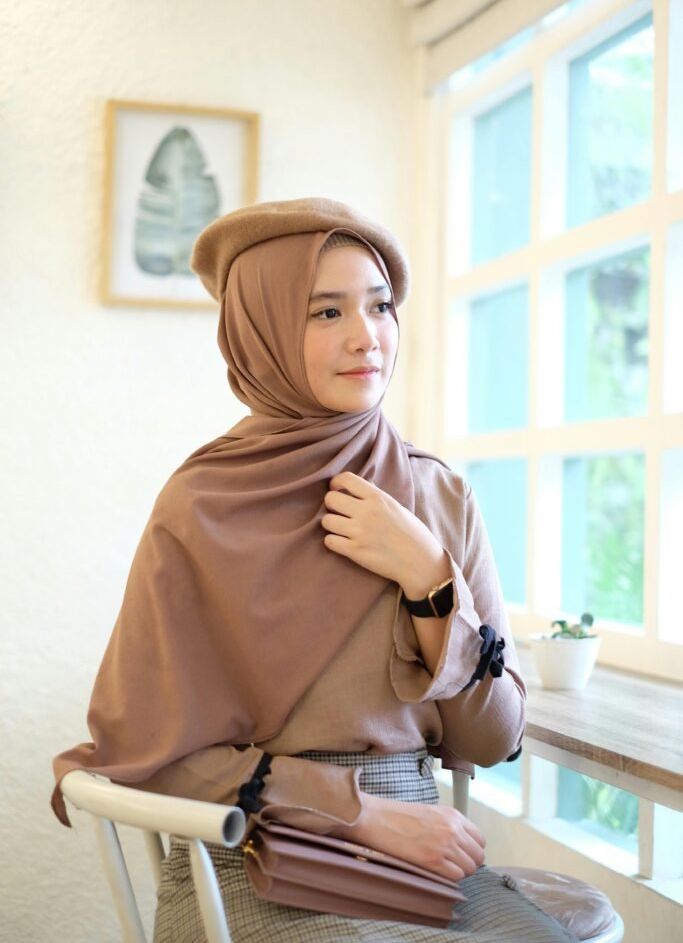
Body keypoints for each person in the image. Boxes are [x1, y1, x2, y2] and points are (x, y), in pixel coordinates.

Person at [53, 198, 576, 942]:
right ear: (259, 332)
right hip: (253, 850)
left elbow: (493, 741)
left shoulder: (437, 493)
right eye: (325, 313)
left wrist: (430, 581)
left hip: (423, 861)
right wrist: (358, 813)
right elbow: (149, 751)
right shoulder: (201, 504)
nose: (368, 338)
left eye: (380, 306)